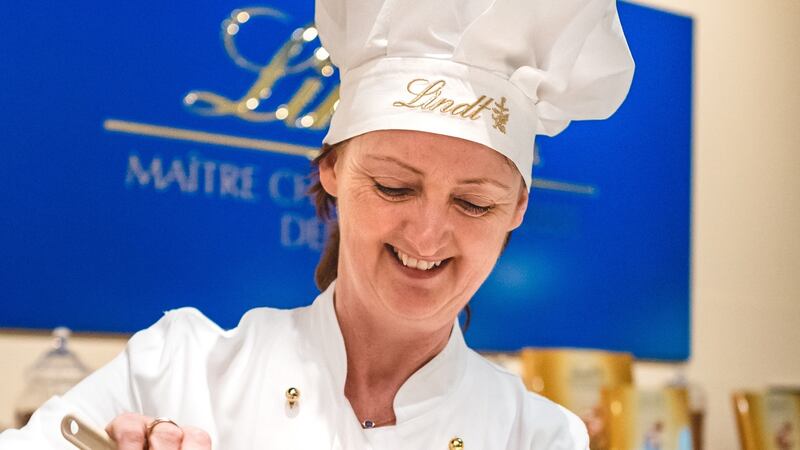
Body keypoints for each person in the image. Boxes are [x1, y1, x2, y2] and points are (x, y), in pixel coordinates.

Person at [0, 0, 634, 448]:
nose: (426, 236)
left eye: (474, 203)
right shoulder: (177, 370)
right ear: (331, 170)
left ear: (518, 210)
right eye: (393, 186)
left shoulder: (539, 436)